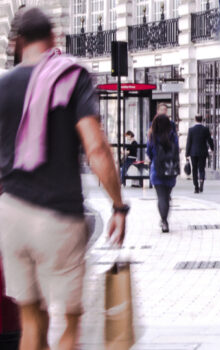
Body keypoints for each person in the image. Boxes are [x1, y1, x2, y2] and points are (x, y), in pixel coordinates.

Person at [0, 8, 127, 350]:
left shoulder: (2, 86)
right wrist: (118, 206)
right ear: (53, 38)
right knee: (69, 325)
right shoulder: (71, 78)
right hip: (59, 217)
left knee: (30, 321)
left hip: (11, 214)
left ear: (17, 43)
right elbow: (97, 148)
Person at [147, 115, 179, 233]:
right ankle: (164, 219)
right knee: (166, 196)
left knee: (161, 197)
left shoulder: (153, 136)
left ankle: (164, 221)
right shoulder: (173, 136)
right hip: (170, 169)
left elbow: (149, 152)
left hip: (157, 170)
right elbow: (176, 150)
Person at [186, 115, 214, 193]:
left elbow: (189, 142)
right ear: (202, 120)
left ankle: (196, 187)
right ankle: (201, 182)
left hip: (193, 152)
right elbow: (210, 140)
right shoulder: (205, 129)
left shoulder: (191, 130)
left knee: (194, 169)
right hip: (202, 152)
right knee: (201, 168)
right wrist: (212, 148)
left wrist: (187, 154)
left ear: (195, 119)